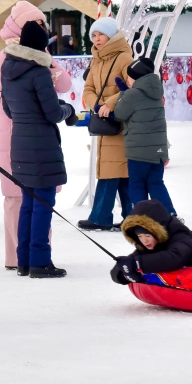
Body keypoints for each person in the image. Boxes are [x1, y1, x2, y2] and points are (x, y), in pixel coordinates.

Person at [0, 1, 73, 269]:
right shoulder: (7, 57)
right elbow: (4, 98)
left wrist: (50, 63)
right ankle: (29, 258)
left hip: (21, 138)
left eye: (41, 22)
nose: (40, 26)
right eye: (34, 23)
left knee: (29, 198)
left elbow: (64, 83)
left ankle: (26, 258)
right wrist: (57, 108)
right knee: (28, 199)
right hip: (24, 135)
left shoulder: (37, 56)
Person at [79, 17, 134, 231]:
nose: (97, 38)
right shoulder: (97, 60)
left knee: (114, 170)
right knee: (119, 171)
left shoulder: (124, 57)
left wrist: (110, 104)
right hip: (105, 123)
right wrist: (98, 105)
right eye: (93, 35)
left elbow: (131, 88)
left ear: (111, 34)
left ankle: (102, 217)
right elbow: (88, 89)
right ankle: (132, 218)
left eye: (100, 34)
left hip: (121, 122)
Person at [113, 57, 175, 214]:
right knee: (156, 183)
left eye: (129, 76)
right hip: (158, 151)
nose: (127, 79)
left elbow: (119, 113)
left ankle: (143, 216)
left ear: (136, 77)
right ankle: (169, 214)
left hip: (138, 152)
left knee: (137, 184)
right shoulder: (157, 92)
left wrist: (122, 94)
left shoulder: (132, 94)